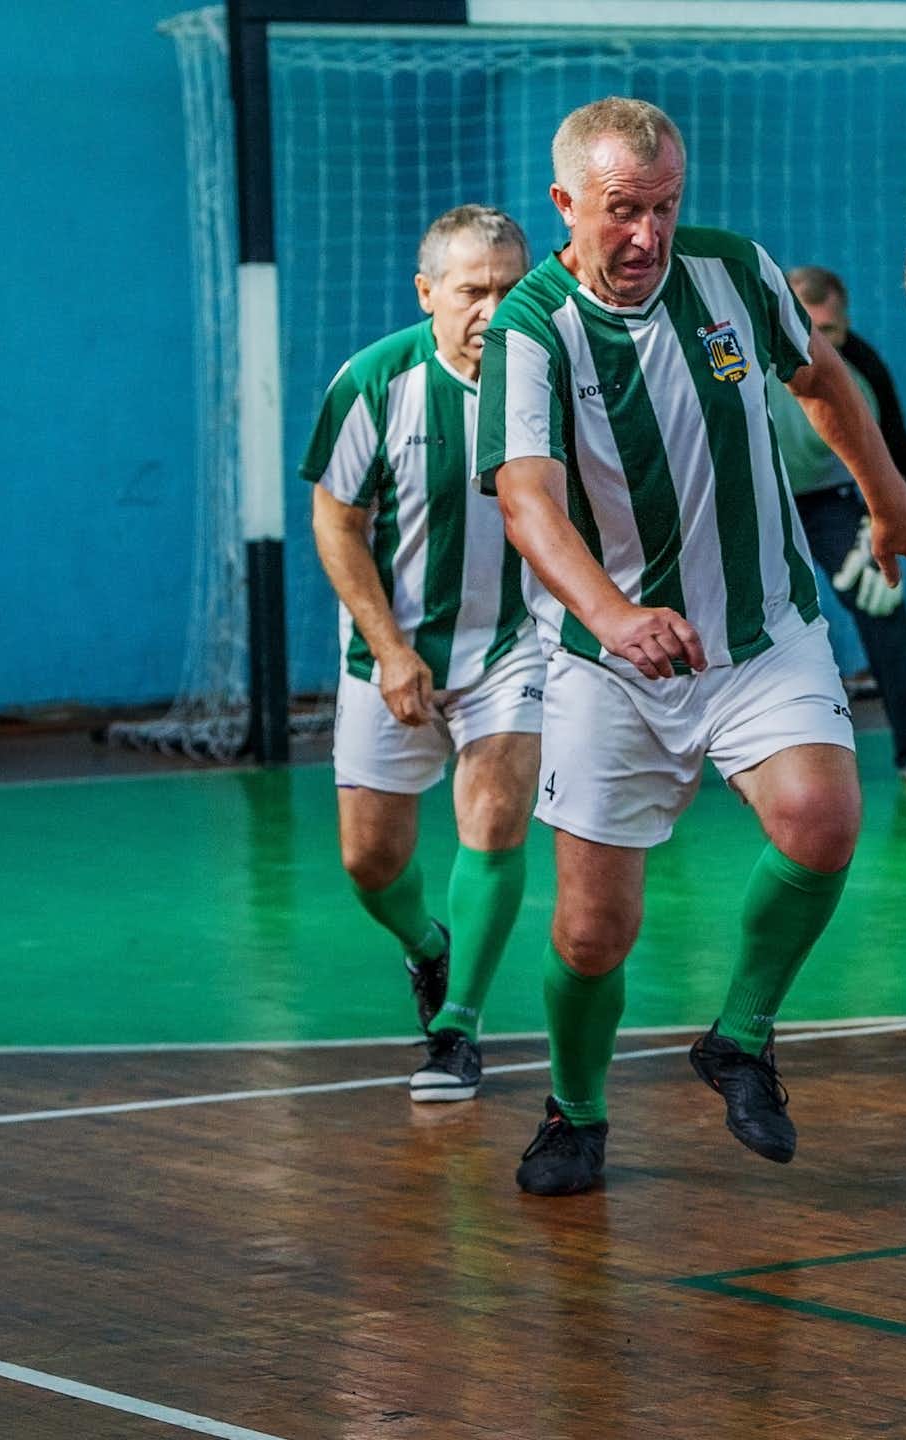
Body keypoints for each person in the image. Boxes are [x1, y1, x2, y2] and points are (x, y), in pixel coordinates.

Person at [478, 98, 906, 1197]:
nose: (646, 234)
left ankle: (739, 1037)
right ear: (563, 205)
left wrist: (889, 501)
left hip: (760, 627)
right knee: (594, 931)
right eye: (619, 212)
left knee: (822, 818)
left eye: (663, 206)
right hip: (612, 661)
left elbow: (822, 381)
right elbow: (525, 501)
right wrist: (612, 616)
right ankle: (575, 1108)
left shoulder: (733, 273)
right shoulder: (529, 329)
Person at [300, 204, 537, 1105]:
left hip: (519, 644)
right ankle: (428, 948)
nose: (492, 309)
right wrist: (390, 648)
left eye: (511, 290)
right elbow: (336, 521)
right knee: (368, 862)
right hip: (391, 653)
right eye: (472, 291)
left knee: (495, 818)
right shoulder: (373, 382)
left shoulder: (556, 375)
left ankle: (457, 1028)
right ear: (428, 292)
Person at [773, 265, 906, 785]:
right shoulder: (741, 357)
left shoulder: (862, 364)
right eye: (810, 330)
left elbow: (898, 450)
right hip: (760, 495)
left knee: (882, 597)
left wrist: (878, 525)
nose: (820, 344)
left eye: (831, 332)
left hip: (834, 499)